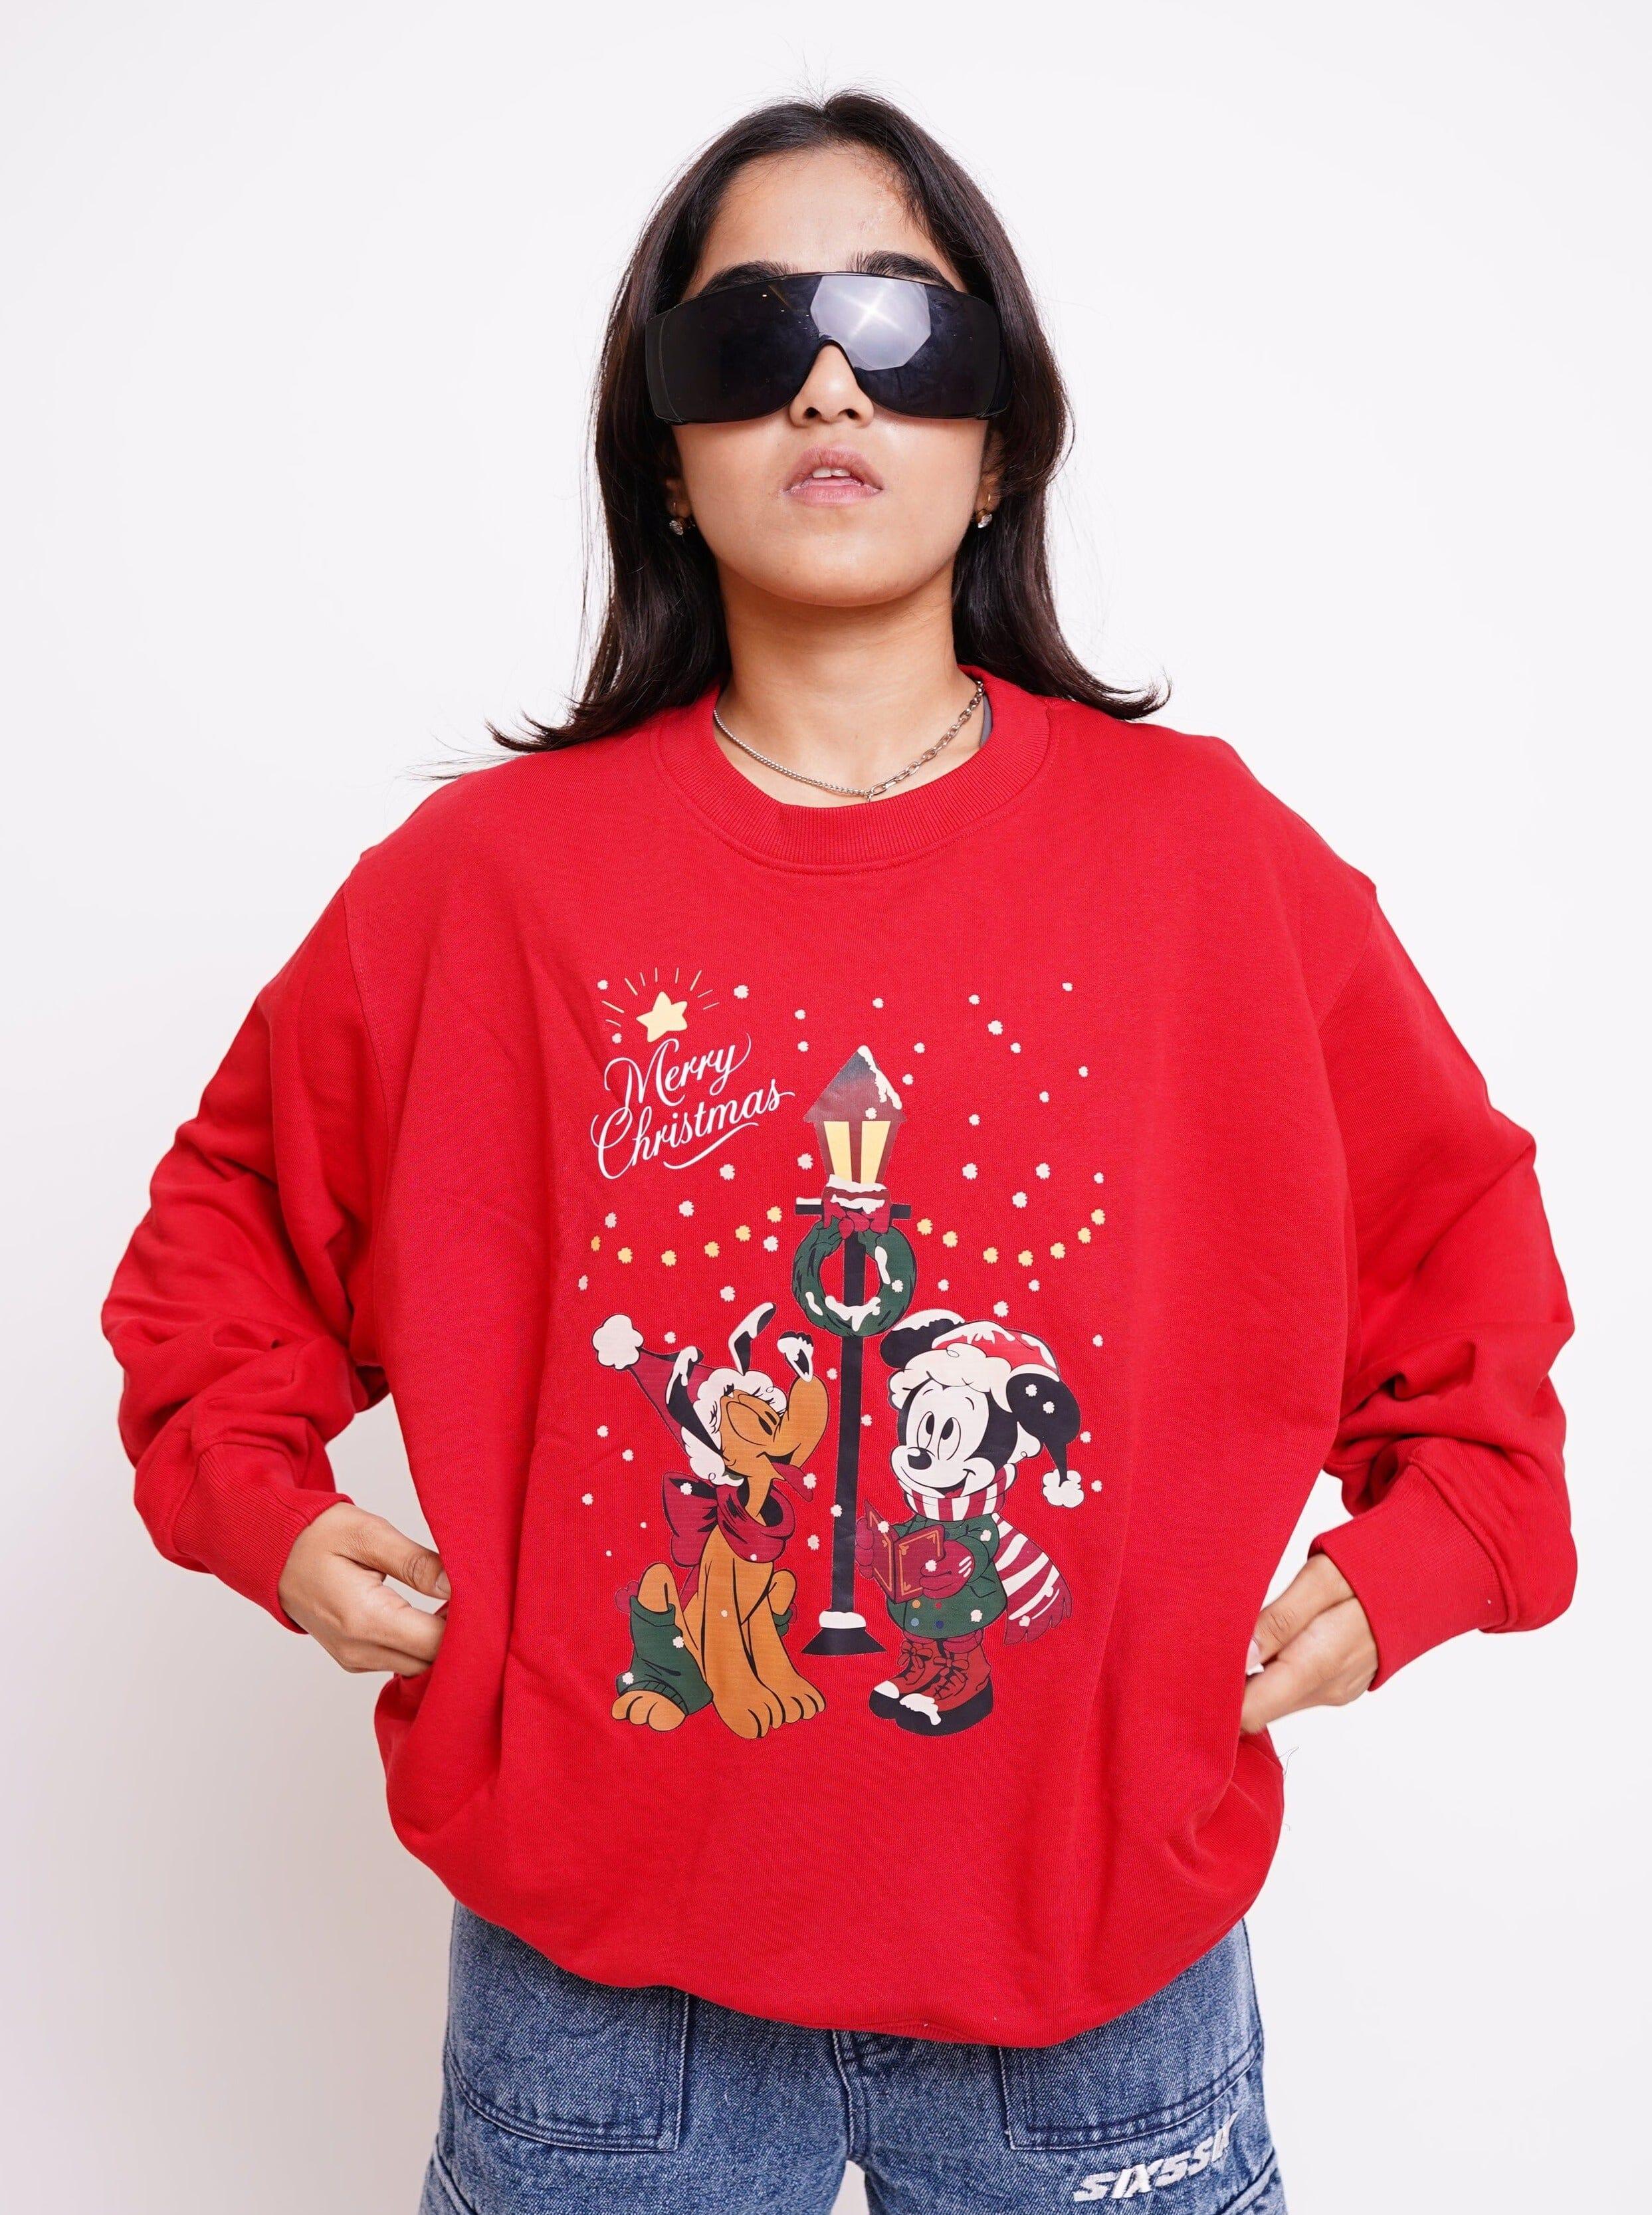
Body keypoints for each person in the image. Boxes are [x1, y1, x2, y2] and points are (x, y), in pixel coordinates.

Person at [101, 90, 1575, 2215]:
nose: (824, 384)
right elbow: (228, 1226)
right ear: (664, 453)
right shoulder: (486, 889)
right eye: (746, 337)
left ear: (1002, 434)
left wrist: (1428, 1549)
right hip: (606, 2006)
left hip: (1097, 1990)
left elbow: (1456, 1230)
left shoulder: (1210, 867)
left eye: (901, 327)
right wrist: (267, 1510)